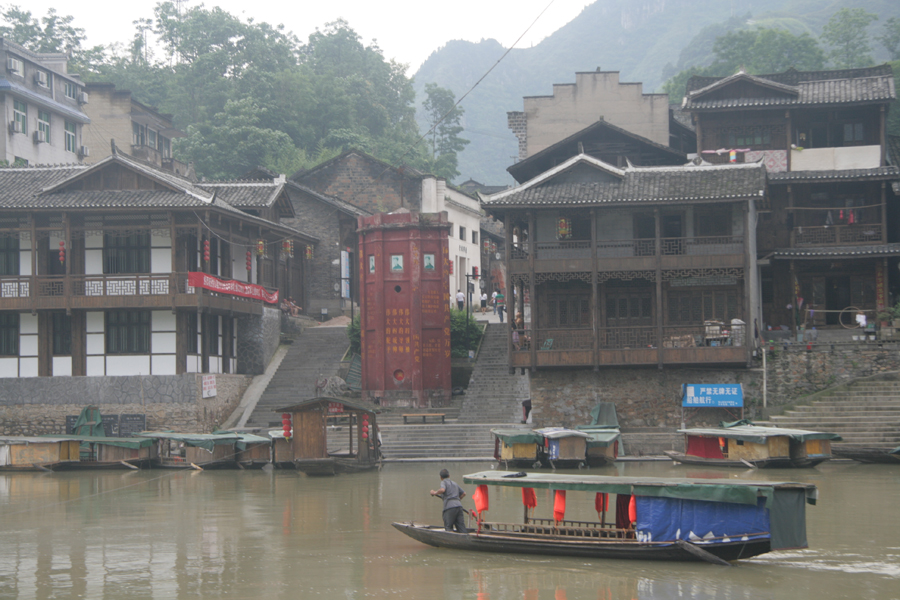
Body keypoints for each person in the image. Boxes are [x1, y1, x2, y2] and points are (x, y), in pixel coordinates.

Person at [430, 468, 467, 533]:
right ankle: (465, 540)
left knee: (449, 528)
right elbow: (464, 493)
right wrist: (458, 500)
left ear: (441, 477)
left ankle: (452, 542)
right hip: (459, 506)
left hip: (449, 508)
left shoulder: (443, 482)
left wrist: (434, 493)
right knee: (461, 528)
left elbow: (442, 490)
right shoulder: (455, 483)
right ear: (449, 476)